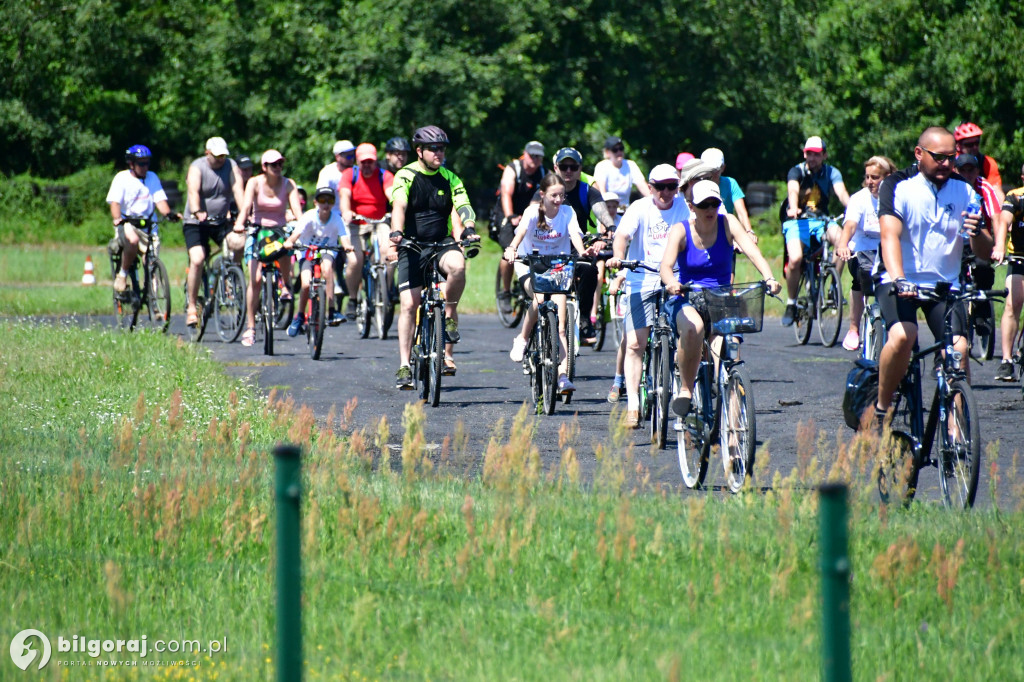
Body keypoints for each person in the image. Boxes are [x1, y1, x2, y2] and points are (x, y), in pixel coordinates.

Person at [874, 126, 991, 422]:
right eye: (938, 158)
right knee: (904, 336)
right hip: (898, 280)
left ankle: (955, 432)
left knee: (959, 349)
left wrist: (977, 232)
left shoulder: (965, 190)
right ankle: (881, 407)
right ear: (919, 153)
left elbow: (984, 251)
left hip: (944, 285)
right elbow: (889, 236)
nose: (946, 165)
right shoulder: (896, 185)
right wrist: (900, 279)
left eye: (950, 158)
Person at [659, 180, 781, 422]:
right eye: (704, 204)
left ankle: (733, 428)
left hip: (722, 299)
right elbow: (665, 266)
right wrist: (671, 282)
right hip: (687, 296)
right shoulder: (681, 230)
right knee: (695, 328)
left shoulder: (728, 223)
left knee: (730, 351)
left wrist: (769, 277)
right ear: (691, 206)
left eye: (715, 203)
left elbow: (752, 252)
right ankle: (686, 388)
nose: (710, 209)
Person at [388, 125, 480, 388]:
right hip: (413, 244)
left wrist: (470, 227)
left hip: (442, 242)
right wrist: (396, 231)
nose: (439, 152)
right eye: (433, 148)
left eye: (442, 148)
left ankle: (449, 313)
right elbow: (399, 204)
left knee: (458, 265)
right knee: (409, 304)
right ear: (419, 151)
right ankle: (405, 365)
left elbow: (464, 205)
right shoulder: (406, 175)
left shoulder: (450, 177)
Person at [605, 164, 691, 427]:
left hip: (675, 279)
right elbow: (622, 236)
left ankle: (684, 389)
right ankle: (632, 406)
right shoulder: (640, 208)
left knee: (688, 334)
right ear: (650, 187)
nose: (666, 192)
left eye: (672, 187)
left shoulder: (685, 207)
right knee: (634, 344)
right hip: (641, 278)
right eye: (660, 187)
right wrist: (618, 257)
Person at [505, 173, 593, 393]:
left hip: (557, 266)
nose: (558, 200)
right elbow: (521, 232)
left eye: (562, 195)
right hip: (529, 263)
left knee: (561, 327)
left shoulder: (567, 212)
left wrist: (582, 252)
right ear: (542, 195)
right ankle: (523, 338)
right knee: (538, 296)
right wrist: (512, 248)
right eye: (554, 195)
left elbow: (574, 234)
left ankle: (563, 377)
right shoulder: (532, 212)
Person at [234, 149, 306, 347]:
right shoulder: (255, 183)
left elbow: (297, 212)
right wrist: (240, 224)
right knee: (255, 279)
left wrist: (303, 228)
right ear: (264, 167)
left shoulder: (288, 184)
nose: (278, 168)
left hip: (279, 230)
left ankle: (286, 285)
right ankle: (250, 327)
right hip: (258, 230)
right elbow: (246, 206)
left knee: (285, 248)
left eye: (280, 164)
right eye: (273, 165)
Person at [780, 136, 850, 326]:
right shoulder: (797, 171)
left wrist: (852, 208)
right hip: (797, 222)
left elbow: (841, 192)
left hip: (821, 221)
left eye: (816, 154)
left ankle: (833, 288)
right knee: (795, 259)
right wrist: (793, 207)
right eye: (809, 153)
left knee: (843, 240)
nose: (812, 158)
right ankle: (791, 303)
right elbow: (792, 190)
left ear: (824, 155)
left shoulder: (831, 172)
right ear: (804, 154)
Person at [552, 146, 618, 345]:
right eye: (564, 166)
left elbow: (601, 210)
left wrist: (610, 226)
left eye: (573, 166)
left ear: (580, 168)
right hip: (550, 244)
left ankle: (584, 318)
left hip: (578, 244)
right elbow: (532, 211)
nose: (569, 171)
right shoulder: (547, 190)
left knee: (590, 270)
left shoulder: (587, 190)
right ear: (556, 168)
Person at [182, 136, 246, 327]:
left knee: (239, 242)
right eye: (217, 156)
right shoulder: (197, 167)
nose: (220, 160)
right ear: (207, 153)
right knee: (198, 259)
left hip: (220, 221)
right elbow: (193, 191)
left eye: (223, 156)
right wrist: (197, 211)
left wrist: (244, 215)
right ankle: (192, 308)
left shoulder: (231, 165)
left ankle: (230, 272)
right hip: (196, 222)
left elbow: (238, 191)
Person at [835, 156, 897, 351]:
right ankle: (854, 329)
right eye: (868, 177)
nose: (870, 182)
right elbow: (850, 225)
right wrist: (843, 244)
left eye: (875, 177)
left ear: (887, 177)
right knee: (860, 276)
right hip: (862, 248)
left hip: (887, 247)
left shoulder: (897, 196)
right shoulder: (859, 199)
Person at [106, 145, 179, 294]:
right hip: (127, 223)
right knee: (132, 241)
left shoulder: (152, 177)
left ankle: (153, 300)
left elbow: (160, 201)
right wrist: (117, 218)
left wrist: (169, 214)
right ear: (131, 164)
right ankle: (123, 274)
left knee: (151, 260)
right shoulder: (122, 178)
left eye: (147, 163)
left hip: (148, 225)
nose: (145, 167)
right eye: (141, 163)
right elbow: (115, 203)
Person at [282, 187, 354, 335]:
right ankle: (300, 316)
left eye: (330, 200)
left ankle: (332, 310)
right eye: (322, 200)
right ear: (315, 202)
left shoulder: (336, 218)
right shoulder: (308, 216)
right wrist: (289, 241)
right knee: (306, 283)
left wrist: (347, 246)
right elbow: (297, 233)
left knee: (327, 269)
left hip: (328, 249)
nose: (326, 204)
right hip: (306, 249)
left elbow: (344, 236)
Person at [339, 142, 396, 319]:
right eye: (363, 162)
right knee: (355, 260)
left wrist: (397, 208)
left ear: (375, 161)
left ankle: (386, 289)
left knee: (389, 252)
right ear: (358, 162)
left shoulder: (384, 176)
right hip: (356, 221)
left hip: (380, 221)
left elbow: (392, 194)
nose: (367, 166)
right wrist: (347, 211)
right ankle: (353, 298)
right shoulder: (350, 175)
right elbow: (344, 196)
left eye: (370, 162)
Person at [953, 153, 1000, 356]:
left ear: (977, 171)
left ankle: (981, 313)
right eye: (962, 170)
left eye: (970, 170)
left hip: (979, 239)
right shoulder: (950, 186)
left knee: (983, 268)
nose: (966, 174)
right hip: (955, 242)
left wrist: (998, 246)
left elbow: (996, 216)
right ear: (955, 170)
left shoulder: (984, 187)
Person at [496, 141, 547, 315]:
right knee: (509, 248)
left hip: (531, 216)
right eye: (532, 155)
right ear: (524, 154)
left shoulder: (543, 173)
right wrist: (511, 216)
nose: (534, 159)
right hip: (508, 213)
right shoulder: (513, 169)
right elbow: (506, 194)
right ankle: (505, 292)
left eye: (538, 156)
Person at [993, 163, 1024, 381]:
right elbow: (1004, 220)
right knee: (1013, 304)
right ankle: (1006, 359)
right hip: (1020, 256)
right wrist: (1000, 246)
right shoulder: (1015, 196)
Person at [701, 147, 755, 239]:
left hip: (725, 231)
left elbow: (741, 212)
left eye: (715, 170)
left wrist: (749, 231)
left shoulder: (730, 183)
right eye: (708, 170)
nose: (711, 174)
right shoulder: (697, 186)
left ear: (723, 168)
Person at [594, 136, 651, 208]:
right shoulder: (602, 166)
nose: (619, 152)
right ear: (607, 152)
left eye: (621, 149)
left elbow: (643, 188)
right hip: (608, 210)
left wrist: (654, 201)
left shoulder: (630, 165)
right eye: (615, 150)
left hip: (625, 210)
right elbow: (602, 193)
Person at [954, 122, 1004, 203]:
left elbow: (997, 192)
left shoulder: (988, 162)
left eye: (976, 143)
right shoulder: (951, 162)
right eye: (969, 144)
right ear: (958, 146)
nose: (974, 147)